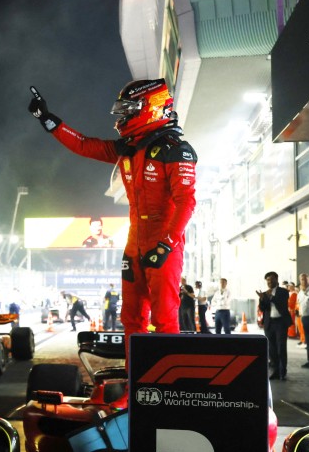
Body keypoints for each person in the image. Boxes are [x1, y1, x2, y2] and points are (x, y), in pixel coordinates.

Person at [30, 79, 196, 347]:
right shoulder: (129, 149)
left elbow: (186, 202)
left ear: (149, 107)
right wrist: (50, 121)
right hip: (134, 244)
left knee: (164, 319)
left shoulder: (177, 151)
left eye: (129, 110)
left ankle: (164, 386)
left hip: (163, 242)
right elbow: (84, 145)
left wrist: (166, 243)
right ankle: (135, 383)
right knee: (131, 319)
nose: (123, 116)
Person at [257, 271, 292, 380]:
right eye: (267, 280)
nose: (269, 282)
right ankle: (275, 371)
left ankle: (283, 372)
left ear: (277, 280)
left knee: (281, 347)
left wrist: (270, 296)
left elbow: (281, 304)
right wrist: (262, 299)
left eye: (271, 279)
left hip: (281, 323)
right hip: (269, 323)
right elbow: (263, 308)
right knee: (271, 349)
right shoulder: (265, 293)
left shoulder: (284, 292)